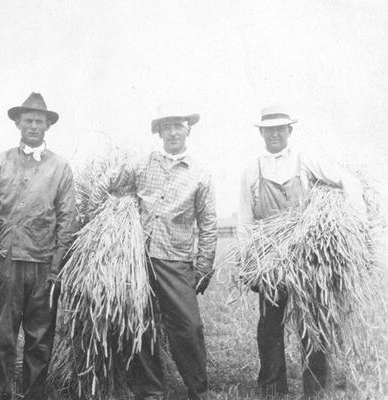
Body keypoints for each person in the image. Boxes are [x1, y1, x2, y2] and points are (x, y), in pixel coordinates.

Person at [237, 105, 365, 398]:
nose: (275, 134)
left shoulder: (304, 159)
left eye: (280, 129)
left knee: (313, 322)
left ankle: (316, 387)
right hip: (269, 257)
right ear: (261, 133)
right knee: (270, 323)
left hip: (306, 257)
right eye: (269, 130)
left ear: (289, 131)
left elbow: (348, 181)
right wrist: (247, 260)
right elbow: (245, 218)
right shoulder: (251, 169)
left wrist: (355, 225)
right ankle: (272, 386)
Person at [0, 92, 76, 400]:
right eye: (28, 120)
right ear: (17, 123)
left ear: (47, 126)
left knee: (40, 336)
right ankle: (0, 392)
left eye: (39, 121)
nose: (33, 125)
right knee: (3, 334)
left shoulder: (61, 168)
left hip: (45, 264)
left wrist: (57, 264)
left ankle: (34, 394)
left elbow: (67, 220)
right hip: (6, 261)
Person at [111, 103, 218, 400]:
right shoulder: (142, 163)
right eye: (166, 126)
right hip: (137, 258)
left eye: (178, 125)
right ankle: (151, 390)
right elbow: (111, 187)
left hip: (176, 258)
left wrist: (204, 265)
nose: (173, 131)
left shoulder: (200, 172)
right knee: (140, 323)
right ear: (158, 132)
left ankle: (198, 390)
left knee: (188, 326)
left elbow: (208, 223)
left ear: (188, 129)